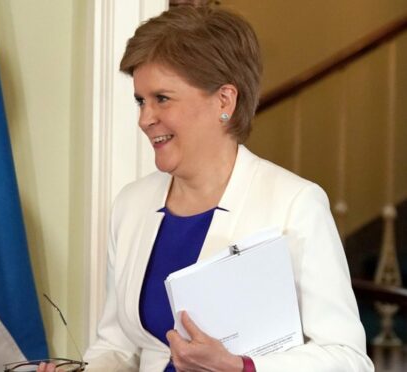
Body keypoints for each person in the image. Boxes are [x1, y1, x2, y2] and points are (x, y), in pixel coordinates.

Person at [39, 4, 373, 372]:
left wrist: (241, 367)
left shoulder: (295, 204)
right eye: (140, 100)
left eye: (161, 98)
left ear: (224, 101)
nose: (145, 119)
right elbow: (118, 346)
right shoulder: (131, 205)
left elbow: (348, 358)